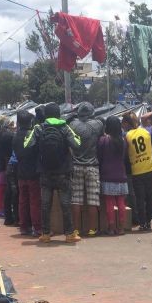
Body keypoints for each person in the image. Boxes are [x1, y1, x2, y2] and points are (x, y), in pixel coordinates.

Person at [24, 103, 82, 243]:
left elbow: (27, 145)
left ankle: (45, 234)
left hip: (45, 172)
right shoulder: (64, 127)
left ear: (45, 115)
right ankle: (69, 234)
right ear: (58, 114)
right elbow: (77, 144)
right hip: (63, 172)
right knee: (65, 204)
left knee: (45, 205)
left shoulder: (39, 128)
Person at [70, 102, 105, 238]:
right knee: (92, 200)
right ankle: (92, 229)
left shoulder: (73, 125)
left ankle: (76, 230)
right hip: (92, 166)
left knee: (76, 200)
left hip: (76, 165)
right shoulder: (98, 125)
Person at [124, 112, 152, 232]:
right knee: (149, 198)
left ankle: (142, 223)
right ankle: (148, 223)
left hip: (136, 171)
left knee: (140, 199)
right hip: (150, 169)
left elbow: (126, 153)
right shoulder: (147, 132)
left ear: (127, 123)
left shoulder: (127, 135)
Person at [97, 116, 129, 235]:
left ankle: (111, 228)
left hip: (107, 175)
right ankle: (121, 228)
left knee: (109, 202)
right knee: (121, 202)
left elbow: (99, 157)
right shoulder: (123, 140)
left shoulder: (103, 140)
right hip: (121, 175)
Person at [13, 109, 41, 236]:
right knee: (34, 201)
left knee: (23, 201)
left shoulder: (15, 135)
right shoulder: (32, 134)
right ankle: (37, 227)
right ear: (30, 121)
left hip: (21, 171)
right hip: (33, 172)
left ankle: (24, 226)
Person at [0, 117, 14, 219]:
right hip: (5, 163)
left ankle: (0, 208)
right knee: (2, 187)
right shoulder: (8, 135)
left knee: (0, 187)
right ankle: (1, 209)